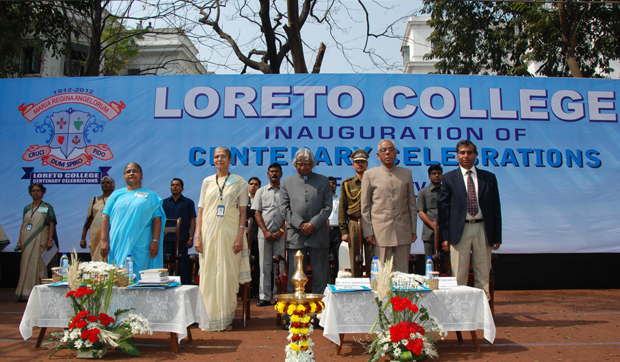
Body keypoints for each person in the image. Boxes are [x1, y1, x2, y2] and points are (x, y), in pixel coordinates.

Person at [194, 147, 251, 331]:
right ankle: (208, 316)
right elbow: (201, 210)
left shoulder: (239, 182)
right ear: (213, 160)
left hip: (230, 234)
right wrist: (197, 235)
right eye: (216, 157)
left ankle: (226, 318)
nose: (220, 159)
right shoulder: (207, 181)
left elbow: (243, 212)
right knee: (209, 272)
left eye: (223, 156)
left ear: (230, 159)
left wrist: (240, 236)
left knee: (228, 274)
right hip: (208, 234)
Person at [438, 140, 501, 300]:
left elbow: (495, 208)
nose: (466, 156)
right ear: (457, 156)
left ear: (475, 155)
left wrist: (497, 236)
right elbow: (443, 211)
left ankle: (482, 310)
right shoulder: (448, 178)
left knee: (483, 272)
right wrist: (444, 236)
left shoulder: (489, 178)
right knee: (459, 273)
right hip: (460, 231)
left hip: (482, 229)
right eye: (462, 153)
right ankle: (460, 309)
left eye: (469, 152)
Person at [280, 148, 332, 295]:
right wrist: (300, 224)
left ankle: (321, 312)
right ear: (295, 164)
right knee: (295, 275)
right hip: (296, 235)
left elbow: (327, 207)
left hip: (318, 234)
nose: (303, 167)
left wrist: (313, 224)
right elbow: (284, 209)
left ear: (313, 164)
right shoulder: (286, 182)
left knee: (320, 275)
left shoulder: (323, 181)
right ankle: (293, 312)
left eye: (306, 164)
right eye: (299, 164)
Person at [99, 163, 165, 278]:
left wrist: (155, 241)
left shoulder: (150, 196)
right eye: (128, 172)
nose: (131, 174)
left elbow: (157, 219)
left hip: (141, 243)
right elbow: (105, 217)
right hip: (117, 242)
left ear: (141, 175)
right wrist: (104, 240)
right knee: (118, 275)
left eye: (135, 171)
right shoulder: (116, 195)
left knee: (140, 274)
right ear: (124, 176)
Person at [361, 140, 417, 273]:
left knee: (403, 273)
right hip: (380, 232)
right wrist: (368, 231)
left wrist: (413, 229)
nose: (388, 153)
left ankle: (402, 295)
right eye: (384, 150)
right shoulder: (370, 174)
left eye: (391, 150)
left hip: (403, 230)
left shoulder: (406, 173)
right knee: (382, 274)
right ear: (378, 155)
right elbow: (365, 206)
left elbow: (411, 204)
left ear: (396, 153)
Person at [14, 183, 57, 301]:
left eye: (38, 190)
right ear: (30, 193)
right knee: (25, 265)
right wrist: (19, 241)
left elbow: (51, 223)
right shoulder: (27, 208)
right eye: (33, 190)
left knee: (39, 265)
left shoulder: (47, 207)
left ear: (43, 193)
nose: (35, 192)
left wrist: (49, 239)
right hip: (27, 240)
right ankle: (24, 292)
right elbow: (23, 225)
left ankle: (40, 293)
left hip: (41, 239)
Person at [252, 163, 285, 307]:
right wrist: (265, 231)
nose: (274, 174)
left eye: (276, 172)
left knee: (281, 266)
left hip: (282, 235)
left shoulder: (286, 191)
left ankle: (279, 295)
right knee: (264, 266)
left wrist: (282, 230)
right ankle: (264, 296)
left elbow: (290, 214)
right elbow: (257, 213)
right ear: (267, 174)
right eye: (271, 172)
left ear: (281, 173)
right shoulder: (261, 191)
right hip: (264, 235)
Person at [339, 149, 371, 277]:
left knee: (371, 256)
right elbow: (342, 208)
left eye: (362, 162)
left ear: (367, 164)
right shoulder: (347, 184)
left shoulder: (373, 182)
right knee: (354, 259)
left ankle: (371, 284)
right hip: (354, 223)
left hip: (370, 223)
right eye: (357, 162)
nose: (360, 164)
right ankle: (356, 283)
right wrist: (344, 231)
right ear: (353, 165)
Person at [162, 178, 196, 285]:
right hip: (167, 239)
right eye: (172, 185)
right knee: (166, 263)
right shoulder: (164, 203)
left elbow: (192, 221)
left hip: (182, 239)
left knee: (181, 265)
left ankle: (182, 285)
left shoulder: (188, 202)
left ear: (182, 188)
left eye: (177, 185)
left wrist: (191, 238)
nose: (174, 187)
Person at [80, 176, 115, 262]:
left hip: (110, 231)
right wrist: (82, 238)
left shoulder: (116, 199)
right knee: (96, 256)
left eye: (107, 182)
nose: (105, 184)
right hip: (95, 233)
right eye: (103, 183)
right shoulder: (94, 200)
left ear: (113, 186)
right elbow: (89, 219)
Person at [417, 165, 443, 259]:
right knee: (430, 262)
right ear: (429, 176)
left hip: (445, 234)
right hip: (429, 233)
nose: (436, 175)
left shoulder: (446, 192)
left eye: (439, 173)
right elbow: (421, 212)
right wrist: (434, 226)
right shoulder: (423, 192)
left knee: (447, 263)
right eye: (434, 173)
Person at [247, 176, 261, 299]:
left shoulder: (261, 199)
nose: (253, 186)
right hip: (245, 238)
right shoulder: (243, 200)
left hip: (258, 237)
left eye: (256, 184)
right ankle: (245, 291)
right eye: (251, 184)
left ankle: (256, 291)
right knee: (244, 264)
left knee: (258, 265)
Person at [327, 176, 342, 274]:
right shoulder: (321, 200)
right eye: (329, 183)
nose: (331, 185)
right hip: (324, 231)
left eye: (333, 183)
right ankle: (326, 280)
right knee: (324, 257)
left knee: (337, 257)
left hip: (337, 231)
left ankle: (336, 279)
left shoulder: (341, 199)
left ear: (336, 186)